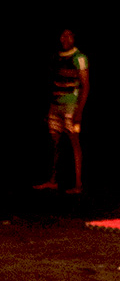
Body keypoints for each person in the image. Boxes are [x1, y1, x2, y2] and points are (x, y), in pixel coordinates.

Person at [34, 28, 89, 194]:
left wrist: (79, 111)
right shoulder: (56, 57)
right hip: (55, 104)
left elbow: (86, 85)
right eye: (62, 35)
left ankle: (78, 183)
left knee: (74, 142)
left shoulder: (79, 58)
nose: (65, 38)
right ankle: (53, 181)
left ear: (74, 37)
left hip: (71, 104)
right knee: (54, 142)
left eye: (69, 35)